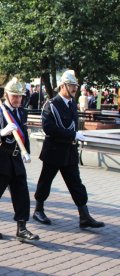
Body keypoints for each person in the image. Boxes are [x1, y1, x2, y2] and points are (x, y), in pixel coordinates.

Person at [33, 70, 105, 229]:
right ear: (62, 86)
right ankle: (38, 210)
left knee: (76, 184)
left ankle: (84, 216)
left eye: (75, 85)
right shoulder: (51, 105)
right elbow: (49, 128)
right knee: (45, 182)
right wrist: (73, 134)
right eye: (71, 85)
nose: (74, 88)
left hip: (68, 152)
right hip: (53, 151)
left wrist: (75, 136)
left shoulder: (72, 103)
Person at [0, 77, 39, 242]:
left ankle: (22, 227)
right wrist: (3, 132)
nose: (18, 99)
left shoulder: (22, 111)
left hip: (15, 159)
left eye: (20, 96)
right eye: (14, 96)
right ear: (6, 95)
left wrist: (26, 152)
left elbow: (24, 133)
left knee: (22, 194)